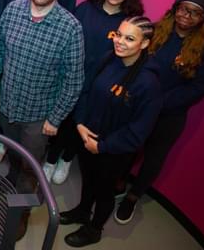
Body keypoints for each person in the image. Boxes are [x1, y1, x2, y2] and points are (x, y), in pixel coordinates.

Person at [0, 0, 84, 240]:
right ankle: (9, 180)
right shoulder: (12, 11)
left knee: (30, 167)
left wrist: (55, 119)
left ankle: (22, 213)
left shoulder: (70, 27)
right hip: (8, 106)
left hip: (39, 117)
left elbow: (74, 80)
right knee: (12, 153)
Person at [114, 0, 204, 225]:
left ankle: (132, 197)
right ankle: (119, 181)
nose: (186, 16)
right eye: (183, 8)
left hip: (170, 115)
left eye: (195, 13)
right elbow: (135, 60)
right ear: (175, 8)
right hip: (138, 105)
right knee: (129, 145)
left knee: (154, 158)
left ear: (203, 18)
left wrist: (160, 102)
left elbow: (198, 87)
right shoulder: (155, 30)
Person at [60, 16, 161, 247]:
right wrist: (80, 124)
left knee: (104, 190)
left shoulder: (148, 83)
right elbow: (86, 91)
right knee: (88, 180)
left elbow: (138, 132)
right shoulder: (107, 59)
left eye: (129, 38)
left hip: (113, 151)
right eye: (118, 34)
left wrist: (102, 146)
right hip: (87, 138)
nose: (120, 41)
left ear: (144, 44)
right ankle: (83, 211)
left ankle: (94, 229)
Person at [43, 0, 144, 185]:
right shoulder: (84, 9)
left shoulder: (129, 21)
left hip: (100, 84)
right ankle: (50, 160)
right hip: (70, 76)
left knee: (82, 124)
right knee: (62, 120)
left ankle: (67, 159)